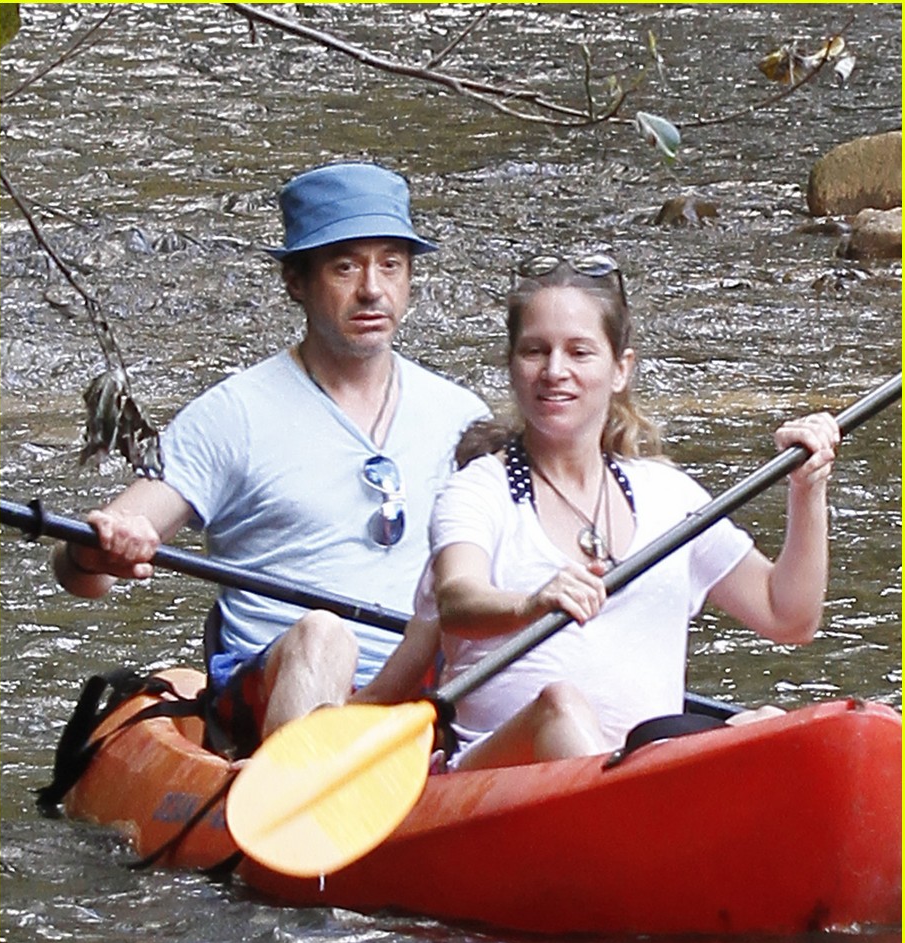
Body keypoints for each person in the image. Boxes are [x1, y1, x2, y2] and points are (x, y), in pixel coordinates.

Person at [52, 161, 487, 755]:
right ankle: (296, 812)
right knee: (323, 634)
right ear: (296, 281)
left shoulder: (463, 416)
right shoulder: (233, 415)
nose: (371, 288)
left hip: (425, 684)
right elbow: (84, 574)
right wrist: (96, 547)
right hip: (280, 684)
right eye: (344, 265)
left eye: (391, 263)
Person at [373, 253, 841, 769]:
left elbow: (789, 615)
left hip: (643, 767)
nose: (555, 371)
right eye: (535, 351)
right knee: (562, 706)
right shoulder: (478, 490)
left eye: (579, 352)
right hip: (503, 778)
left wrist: (806, 489)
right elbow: (459, 598)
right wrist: (531, 604)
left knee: (768, 724)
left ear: (620, 370)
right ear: (512, 366)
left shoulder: (670, 495)